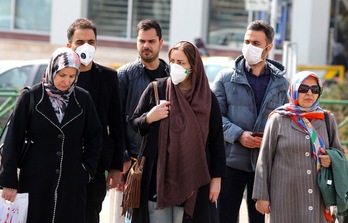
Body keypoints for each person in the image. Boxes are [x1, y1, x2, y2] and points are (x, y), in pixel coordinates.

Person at [0, 47, 102, 222]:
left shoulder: (83, 99)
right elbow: (12, 140)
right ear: (52, 69)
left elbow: (95, 136)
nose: (66, 81)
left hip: (71, 182)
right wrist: (8, 181)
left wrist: (85, 170)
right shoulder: (31, 97)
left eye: (72, 76)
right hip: (35, 180)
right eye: (62, 75)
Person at [129, 41, 226, 223]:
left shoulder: (207, 98)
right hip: (158, 178)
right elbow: (134, 122)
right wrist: (149, 117)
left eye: (181, 62)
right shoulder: (157, 89)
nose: (175, 66)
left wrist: (217, 179)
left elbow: (216, 140)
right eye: (172, 61)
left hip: (195, 178)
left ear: (193, 66)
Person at [211, 20, 289, 223]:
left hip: (264, 167)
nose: (249, 46)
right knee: (224, 217)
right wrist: (238, 135)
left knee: (260, 219)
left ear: (268, 47)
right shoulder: (225, 78)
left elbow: (287, 121)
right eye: (247, 41)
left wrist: (270, 139)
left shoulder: (280, 83)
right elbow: (213, 117)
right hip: (230, 162)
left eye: (256, 43)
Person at [252, 71, 344, 222]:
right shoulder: (278, 119)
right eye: (303, 88)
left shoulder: (327, 119)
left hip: (318, 198)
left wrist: (331, 159)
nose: (309, 93)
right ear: (294, 90)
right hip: (284, 197)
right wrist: (261, 196)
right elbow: (264, 160)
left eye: (315, 90)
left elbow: (339, 153)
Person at [66, 18, 125, 223]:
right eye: (80, 42)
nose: (86, 47)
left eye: (91, 42)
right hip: (63, 161)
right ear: (69, 46)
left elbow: (117, 124)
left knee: (90, 214)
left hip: (95, 164)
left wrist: (116, 166)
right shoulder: (61, 76)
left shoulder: (108, 77)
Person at [118, 19, 169, 179]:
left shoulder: (171, 76)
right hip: (133, 158)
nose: (146, 45)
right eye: (142, 41)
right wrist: (123, 155)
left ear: (160, 43)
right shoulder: (125, 75)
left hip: (164, 157)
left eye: (151, 41)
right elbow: (115, 120)